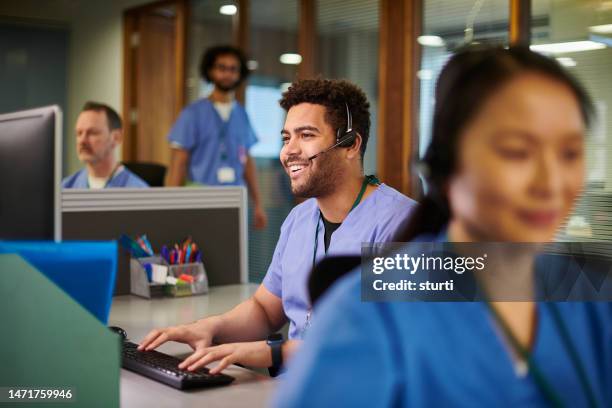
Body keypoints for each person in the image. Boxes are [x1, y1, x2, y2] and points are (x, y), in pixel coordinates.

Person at [273, 47, 611, 407]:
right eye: (517, 152)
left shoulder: (594, 300)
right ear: (448, 164)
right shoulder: (366, 319)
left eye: (570, 154)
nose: (551, 182)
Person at [138, 79, 417, 376]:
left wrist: (273, 352)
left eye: (306, 135)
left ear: (351, 144)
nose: (288, 152)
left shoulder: (408, 226)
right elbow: (265, 308)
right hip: (295, 388)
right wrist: (209, 327)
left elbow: (393, 343)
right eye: (286, 138)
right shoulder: (299, 220)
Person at [166, 45, 267, 229]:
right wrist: (168, 207)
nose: (227, 74)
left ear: (239, 74)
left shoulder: (242, 115)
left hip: (235, 198)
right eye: (221, 68)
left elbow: (247, 162)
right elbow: (178, 162)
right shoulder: (193, 113)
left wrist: (258, 204)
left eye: (233, 69)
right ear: (211, 71)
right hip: (200, 197)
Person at [62, 101, 148, 189]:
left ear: (116, 138)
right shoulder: (65, 187)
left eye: (92, 133)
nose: (82, 140)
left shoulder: (138, 190)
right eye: (79, 133)